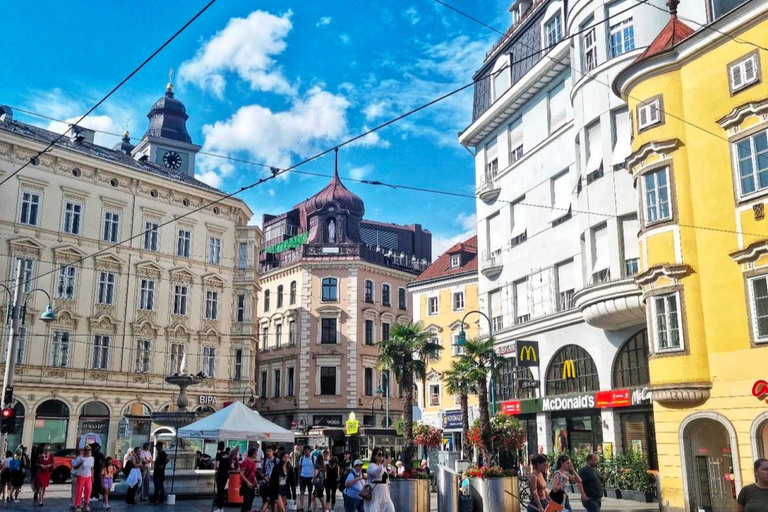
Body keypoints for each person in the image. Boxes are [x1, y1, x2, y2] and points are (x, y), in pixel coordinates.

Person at [365, 448, 395, 512]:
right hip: (374, 495)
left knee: (391, 509)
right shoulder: (371, 466)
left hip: (385, 495)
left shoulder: (383, 467)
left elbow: (386, 481)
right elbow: (375, 472)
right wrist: (385, 463)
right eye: (379, 454)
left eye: (383, 454)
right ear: (374, 456)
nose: (381, 456)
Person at [73, 445, 95, 512]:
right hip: (81, 475)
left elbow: (92, 468)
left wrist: (92, 475)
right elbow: (75, 467)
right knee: (79, 491)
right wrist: (80, 463)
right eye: (86, 450)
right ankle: (78, 505)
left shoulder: (92, 458)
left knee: (88, 490)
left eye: (89, 450)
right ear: (84, 451)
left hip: (88, 476)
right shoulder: (80, 458)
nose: (87, 451)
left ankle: (86, 504)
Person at [240, 448, 258, 512]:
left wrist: (256, 484)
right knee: (246, 501)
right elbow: (241, 474)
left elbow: (253, 474)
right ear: (253, 454)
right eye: (256, 453)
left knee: (250, 501)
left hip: (252, 484)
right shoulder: (245, 462)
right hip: (246, 484)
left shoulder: (253, 463)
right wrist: (247, 482)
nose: (257, 455)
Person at [214, 441, 230, 512]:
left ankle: (220, 508)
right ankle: (221, 507)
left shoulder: (218, 455)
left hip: (220, 474)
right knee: (222, 490)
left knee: (220, 490)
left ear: (219, 447)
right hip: (225, 474)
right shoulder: (227, 454)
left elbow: (217, 465)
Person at [299, 446, 315, 512]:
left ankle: (309, 507)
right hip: (303, 476)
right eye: (304, 450)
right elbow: (300, 467)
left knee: (310, 492)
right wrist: (299, 477)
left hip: (310, 477)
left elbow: (316, 467)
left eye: (306, 450)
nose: (305, 452)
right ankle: (301, 506)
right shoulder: (302, 458)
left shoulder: (313, 458)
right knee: (302, 492)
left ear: (309, 450)